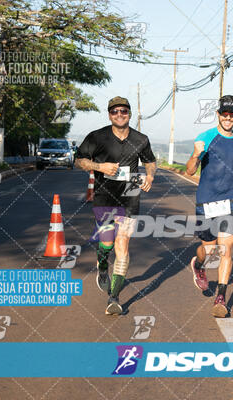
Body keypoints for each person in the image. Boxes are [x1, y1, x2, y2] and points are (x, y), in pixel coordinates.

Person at [75, 96, 156, 315]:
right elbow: (79, 160)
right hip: (104, 197)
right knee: (107, 244)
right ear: (109, 114)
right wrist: (100, 167)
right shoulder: (97, 137)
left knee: (123, 245)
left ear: (129, 113)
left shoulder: (141, 139)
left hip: (130, 195)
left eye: (123, 111)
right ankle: (102, 267)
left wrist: (149, 176)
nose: (119, 115)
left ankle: (114, 298)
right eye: (115, 111)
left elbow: (150, 161)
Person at [186, 95, 233, 318]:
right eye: (224, 114)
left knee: (225, 249)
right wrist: (196, 153)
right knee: (209, 250)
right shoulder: (206, 137)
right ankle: (198, 265)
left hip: (230, 200)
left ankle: (220, 298)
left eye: (232, 115)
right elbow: (190, 171)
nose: (228, 118)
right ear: (218, 115)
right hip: (206, 201)